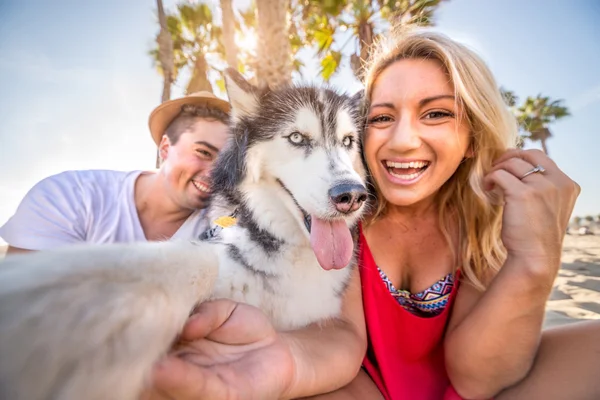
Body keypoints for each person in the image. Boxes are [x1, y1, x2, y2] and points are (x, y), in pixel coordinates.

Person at [143, 28, 600, 400]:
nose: (401, 140)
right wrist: (285, 364)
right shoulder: (335, 212)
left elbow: (478, 379)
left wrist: (535, 262)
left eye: (436, 113)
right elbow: (337, 333)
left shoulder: (485, 216)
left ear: (474, 138)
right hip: (351, 386)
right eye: (381, 118)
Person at [0, 91, 231, 254]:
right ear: (165, 147)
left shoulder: (225, 226)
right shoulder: (69, 196)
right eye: (203, 152)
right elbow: (24, 309)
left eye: (228, 162)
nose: (217, 174)